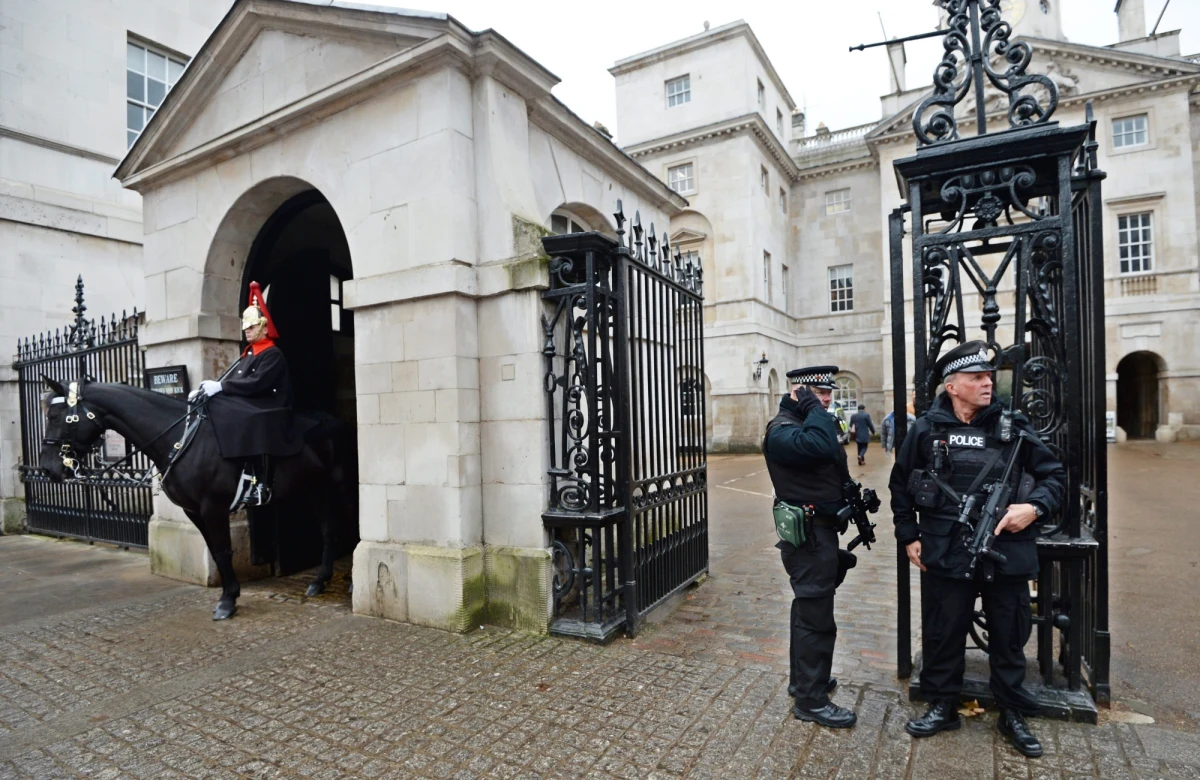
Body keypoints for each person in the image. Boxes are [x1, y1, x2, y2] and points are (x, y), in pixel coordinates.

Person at [888, 341, 1066, 758]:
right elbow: (901, 486)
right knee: (944, 629)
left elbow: (1054, 476)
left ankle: (1011, 711)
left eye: (989, 377)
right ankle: (943, 704)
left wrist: (1034, 508)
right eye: (977, 377)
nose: (988, 383)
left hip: (1006, 546)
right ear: (952, 386)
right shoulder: (926, 429)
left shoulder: (1013, 426)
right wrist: (908, 534)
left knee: (1008, 633)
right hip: (946, 547)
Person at [762, 365, 864, 729]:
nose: (826, 400)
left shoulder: (805, 424)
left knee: (808, 612)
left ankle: (803, 681)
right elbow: (821, 446)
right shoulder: (782, 431)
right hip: (807, 540)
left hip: (819, 534)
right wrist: (812, 407)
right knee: (817, 620)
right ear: (799, 393)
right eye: (818, 393)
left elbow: (830, 461)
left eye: (828, 394)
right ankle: (811, 700)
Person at [197, 281, 315, 508]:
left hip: (271, 404)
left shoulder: (272, 354)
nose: (246, 331)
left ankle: (261, 482)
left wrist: (222, 387)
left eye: (251, 327)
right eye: (245, 327)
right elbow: (235, 380)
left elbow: (257, 383)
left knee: (253, 419)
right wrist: (209, 390)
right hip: (252, 401)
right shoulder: (249, 354)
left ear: (264, 327)